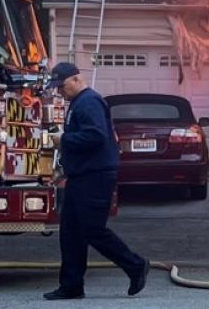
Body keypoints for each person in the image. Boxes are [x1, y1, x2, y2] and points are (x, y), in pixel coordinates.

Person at [44, 62, 149, 301]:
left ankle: (136, 265)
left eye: (61, 86)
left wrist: (64, 139)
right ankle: (71, 286)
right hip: (81, 175)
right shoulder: (78, 103)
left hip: (96, 176)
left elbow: (95, 136)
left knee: (92, 230)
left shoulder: (89, 101)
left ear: (76, 79)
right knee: (70, 232)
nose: (59, 91)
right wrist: (64, 168)